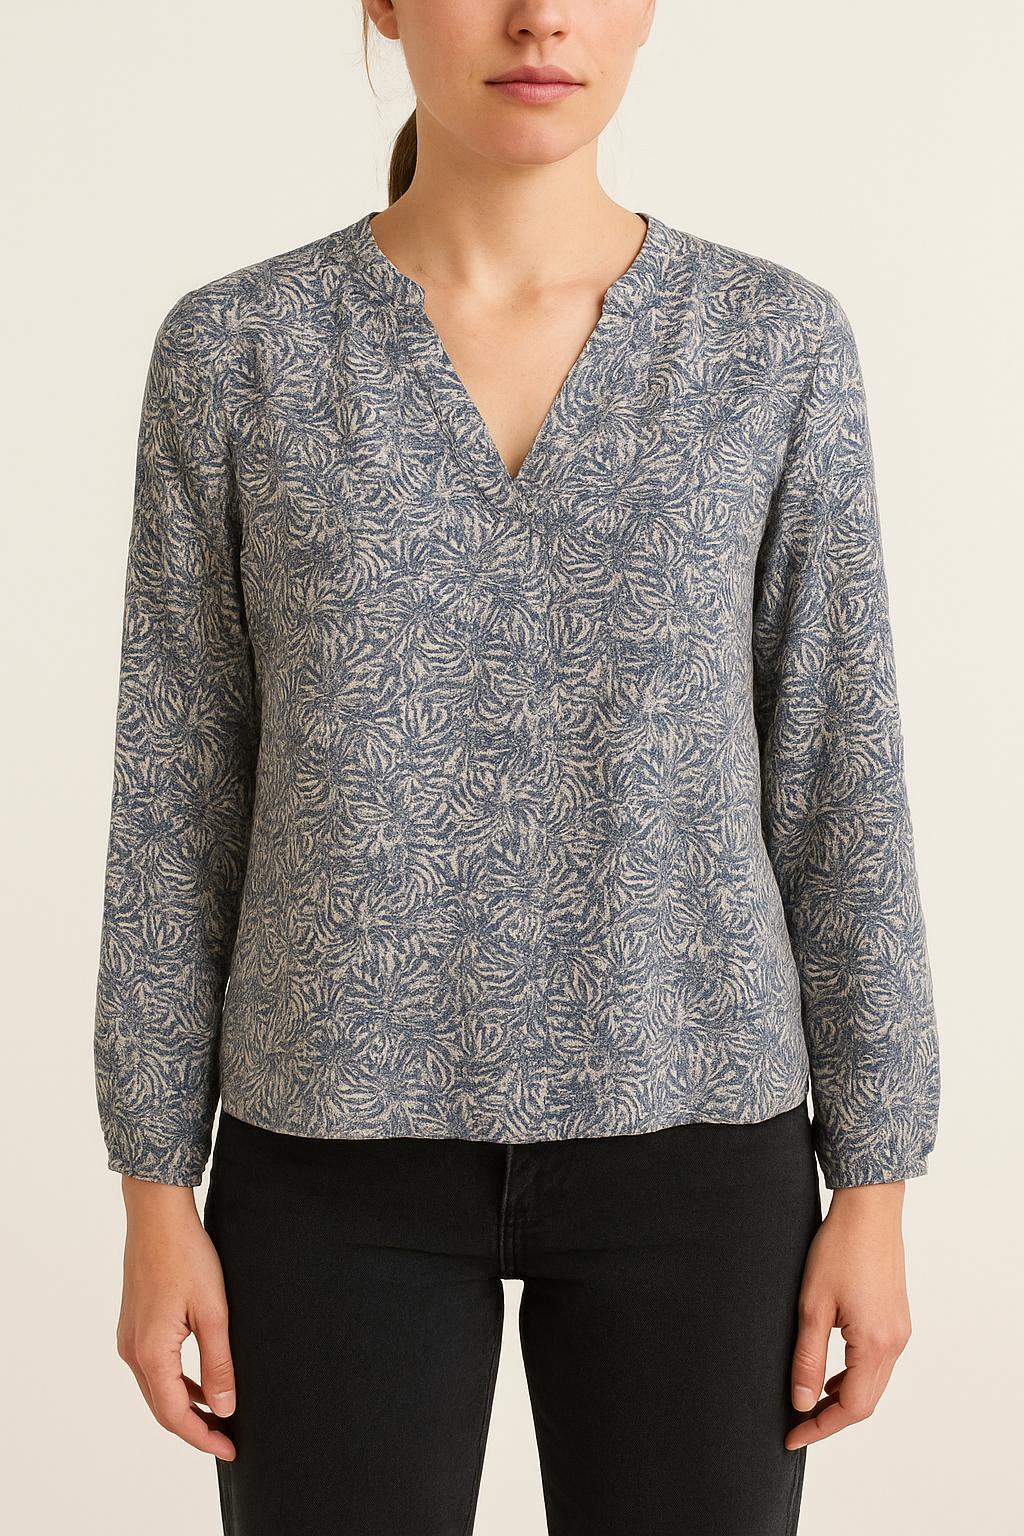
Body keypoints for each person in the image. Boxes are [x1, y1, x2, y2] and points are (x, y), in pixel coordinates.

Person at [93, 2, 941, 1533]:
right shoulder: (237, 353)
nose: (540, 15)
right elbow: (177, 793)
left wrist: (874, 1185)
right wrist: (155, 1193)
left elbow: (840, 778)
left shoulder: (770, 346)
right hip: (329, 1143)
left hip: (697, 1136)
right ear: (384, 3)